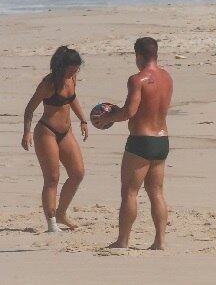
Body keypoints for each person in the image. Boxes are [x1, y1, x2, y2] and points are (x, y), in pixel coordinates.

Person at [94, 37, 173, 250]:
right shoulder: (167, 77)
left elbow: (129, 111)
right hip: (162, 139)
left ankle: (123, 241)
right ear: (155, 54)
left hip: (141, 141)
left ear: (138, 55)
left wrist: (107, 118)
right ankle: (160, 241)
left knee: (129, 192)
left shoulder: (137, 79)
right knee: (156, 191)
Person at [21, 46, 88, 232]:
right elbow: (29, 109)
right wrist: (26, 133)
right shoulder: (48, 84)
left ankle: (61, 213)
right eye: (72, 68)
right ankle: (51, 223)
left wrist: (83, 119)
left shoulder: (72, 78)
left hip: (66, 132)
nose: (75, 71)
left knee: (77, 173)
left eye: (77, 68)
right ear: (62, 66)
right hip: (46, 132)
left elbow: (72, 98)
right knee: (52, 178)